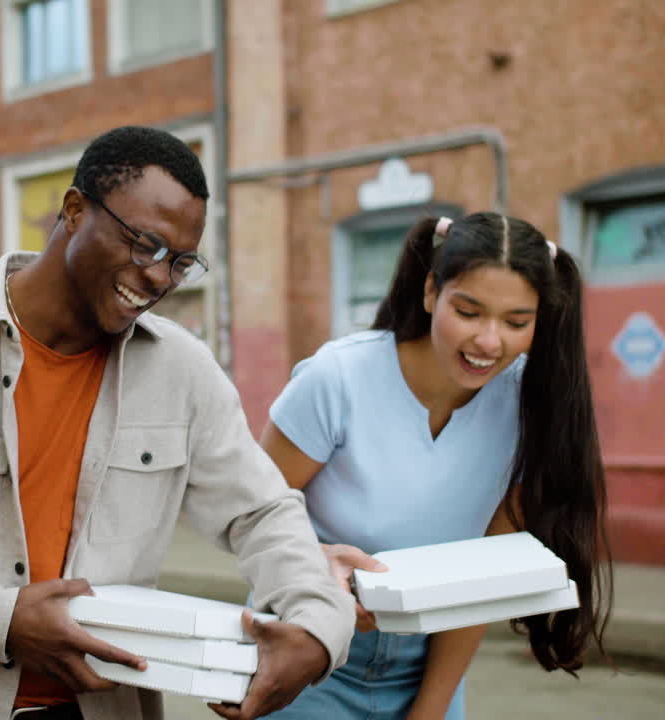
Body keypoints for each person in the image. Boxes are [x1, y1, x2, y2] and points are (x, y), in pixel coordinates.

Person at [0, 125, 355, 720]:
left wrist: (318, 630)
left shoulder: (183, 372)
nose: (160, 277)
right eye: (146, 246)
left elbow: (264, 513)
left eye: (181, 262)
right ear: (75, 210)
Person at [258, 213, 612, 719]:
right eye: (469, 312)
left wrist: (430, 709)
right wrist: (317, 572)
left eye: (517, 322)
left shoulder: (530, 407)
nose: (490, 342)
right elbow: (252, 521)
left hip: (425, 667)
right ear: (430, 293)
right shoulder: (336, 379)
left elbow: (477, 583)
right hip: (305, 654)